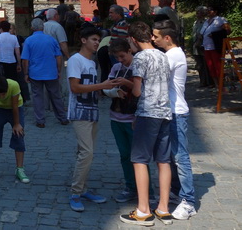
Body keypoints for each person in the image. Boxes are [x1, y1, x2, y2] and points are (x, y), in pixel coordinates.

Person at [120, 21, 174, 226]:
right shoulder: (162, 55)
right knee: (163, 160)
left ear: (133, 40)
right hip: (165, 112)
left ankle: (143, 210)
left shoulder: (140, 58)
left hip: (148, 112)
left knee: (140, 160)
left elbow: (137, 91)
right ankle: (164, 208)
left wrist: (126, 86)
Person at [66, 26, 121, 212]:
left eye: (98, 39)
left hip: (92, 111)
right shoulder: (76, 60)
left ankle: (83, 189)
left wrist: (111, 90)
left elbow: (94, 86)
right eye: (94, 39)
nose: (97, 42)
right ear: (83, 40)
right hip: (79, 112)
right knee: (86, 153)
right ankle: (75, 192)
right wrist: (101, 85)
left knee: (85, 153)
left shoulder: (91, 61)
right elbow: (75, 87)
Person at [154, 20, 197, 221]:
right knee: (170, 156)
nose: (153, 39)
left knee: (180, 157)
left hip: (177, 112)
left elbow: (155, 76)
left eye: (156, 36)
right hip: (168, 112)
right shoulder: (169, 54)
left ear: (167, 37)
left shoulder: (173, 55)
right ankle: (176, 191)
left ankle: (188, 201)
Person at [102, 38, 143, 205]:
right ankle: (130, 186)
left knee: (138, 157)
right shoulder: (116, 68)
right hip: (116, 116)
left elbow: (142, 92)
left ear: (129, 51)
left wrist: (127, 83)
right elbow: (105, 87)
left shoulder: (138, 67)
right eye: (117, 57)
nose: (120, 60)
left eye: (122, 56)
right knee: (124, 155)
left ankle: (146, 191)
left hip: (133, 118)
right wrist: (113, 91)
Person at [21, 18, 68, 128]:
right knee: (56, 96)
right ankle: (62, 117)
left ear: (32, 28)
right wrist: (58, 70)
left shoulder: (28, 40)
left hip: (35, 73)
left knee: (37, 96)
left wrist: (26, 73)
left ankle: (40, 120)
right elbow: (59, 57)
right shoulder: (51, 40)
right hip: (51, 72)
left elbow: (25, 60)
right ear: (43, 27)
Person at [0, 75, 29, 184]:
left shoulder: (13, 85)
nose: (2, 96)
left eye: (4, 93)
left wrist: (17, 124)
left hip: (16, 108)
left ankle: (20, 169)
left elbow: (15, 106)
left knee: (19, 134)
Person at [0, 21, 29, 103]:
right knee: (13, 82)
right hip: (12, 62)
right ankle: (14, 99)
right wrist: (19, 64)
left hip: (1, 62)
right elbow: (18, 53)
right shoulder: (14, 38)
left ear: (0, 28)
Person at [201, 5, 230, 90]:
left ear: (215, 11)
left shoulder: (220, 20)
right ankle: (217, 85)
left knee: (218, 66)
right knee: (211, 67)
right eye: (208, 10)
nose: (208, 12)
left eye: (210, 10)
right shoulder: (206, 21)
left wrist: (215, 35)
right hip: (206, 46)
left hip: (215, 46)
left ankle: (222, 85)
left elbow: (227, 31)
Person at [190, 6, 210, 87]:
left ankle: (208, 81)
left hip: (203, 45)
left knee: (205, 64)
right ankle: (202, 81)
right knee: (199, 65)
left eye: (199, 12)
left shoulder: (206, 22)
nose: (197, 14)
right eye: (197, 12)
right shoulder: (195, 22)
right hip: (196, 46)